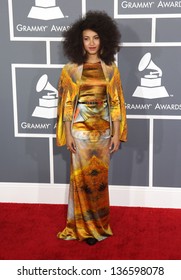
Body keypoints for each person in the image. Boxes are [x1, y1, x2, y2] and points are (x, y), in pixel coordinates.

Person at [56, 11, 127, 246]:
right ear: (79, 41)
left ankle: (99, 225)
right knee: (81, 181)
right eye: (86, 38)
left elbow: (115, 103)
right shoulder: (71, 70)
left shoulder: (111, 70)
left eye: (96, 37)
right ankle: (83, 227)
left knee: (99, 183)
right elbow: (67, 105)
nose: (92, 43)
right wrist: (68, 134)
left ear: (104, 39)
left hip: (103, 135)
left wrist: (116, 133)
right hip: (80, 134)